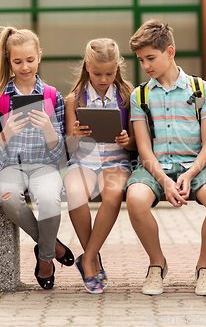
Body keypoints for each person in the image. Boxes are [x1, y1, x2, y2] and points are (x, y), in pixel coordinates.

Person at [125, 19, 206, 296]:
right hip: (154, 166)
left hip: (194, 165)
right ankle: (156, 264)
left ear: (170, 52)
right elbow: (144, 149)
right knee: (135, 198)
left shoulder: (199, 90)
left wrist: (188, 175)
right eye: (141, 60)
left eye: (151, 57)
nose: (146, 65)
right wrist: (164, 180)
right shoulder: (141, 95)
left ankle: (204, 268)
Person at [0, 27, 74, 290]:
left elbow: (60, 154)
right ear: (9, 61)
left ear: (39, 57)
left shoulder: (52, 96)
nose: (24, 67)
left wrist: (49, 129)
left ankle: (45, 259)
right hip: (8, 167)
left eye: (30, 60)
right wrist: (5, 134)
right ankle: (53, 246)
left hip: (44, 166)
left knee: (49, 199)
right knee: (9, 199)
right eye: (17, 61)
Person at [64, 38, 135, 294]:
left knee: (113, 194)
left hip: (116, 161)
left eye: (109, 73)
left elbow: (137, 141)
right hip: (83, 161)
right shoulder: (74, 99)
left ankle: (88, 258)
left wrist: (128, 141)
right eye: (97, 73)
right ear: (87, 66)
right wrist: (74, 134)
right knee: (74, 193)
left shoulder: (128, 96)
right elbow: (69, 147)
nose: (103, 79)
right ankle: (92, 261)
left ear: (118, 67)